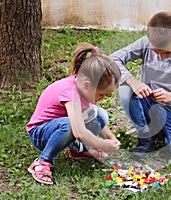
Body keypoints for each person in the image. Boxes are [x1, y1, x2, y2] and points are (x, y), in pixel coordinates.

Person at [110, 11, 171, 160]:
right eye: (156, 52)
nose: (160, 57)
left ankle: (162, 131)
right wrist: (134, 82)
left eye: (167, 53)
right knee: (125, 89)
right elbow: (113, 59)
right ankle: (146, 138)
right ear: (148, 39)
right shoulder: (144, 44)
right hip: (147, 102)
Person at [26, 42, 121, 185]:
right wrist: (102, 144)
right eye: (102, 94)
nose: (103, 98)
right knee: (71, 125)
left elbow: (94, 117)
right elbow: (79, 132)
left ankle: (79, 151)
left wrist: (111, 137)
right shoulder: (70, 92)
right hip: (41, 133)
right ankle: (42, 162)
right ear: (87, 84)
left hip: (64, 126)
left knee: (99, 113)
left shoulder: (87, 90)